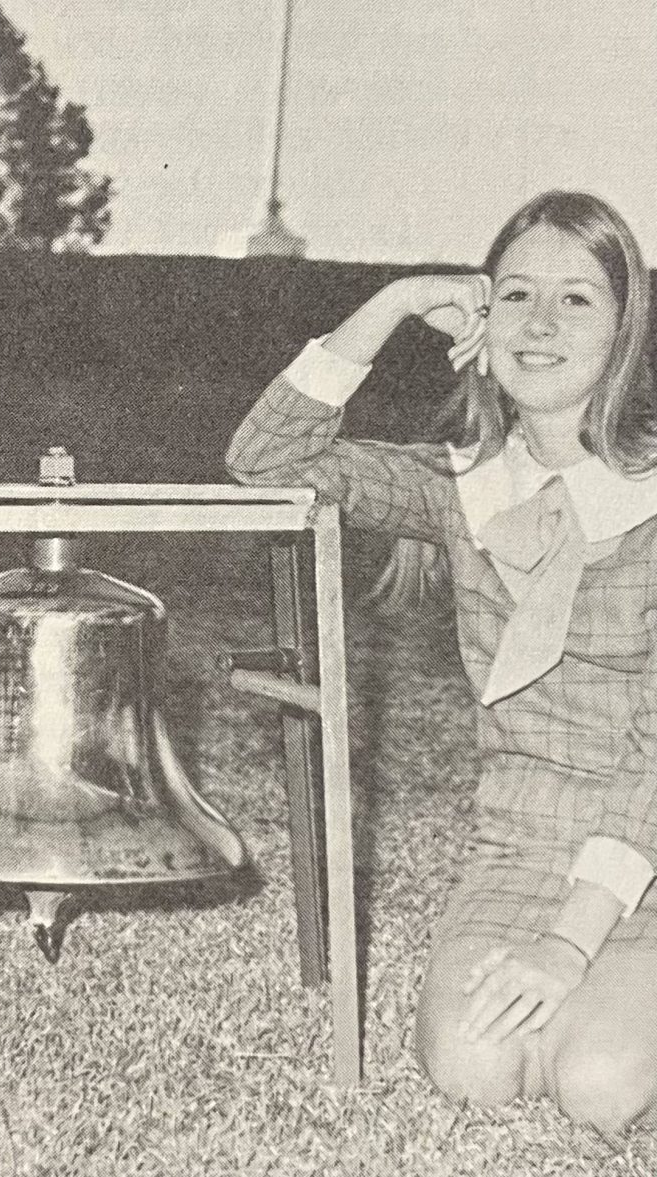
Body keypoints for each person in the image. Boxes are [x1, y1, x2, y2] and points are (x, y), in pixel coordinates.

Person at [226, 190, 657, 1136]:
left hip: (648, 850)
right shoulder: (464, 486)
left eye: (577, 300)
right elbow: (265, 459)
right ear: (482, 322)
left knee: (595, 1085)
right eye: (514, 297)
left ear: (627, 330)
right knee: (474, 1069)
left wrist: (566, 945)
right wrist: (395, 300)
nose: (540, 325)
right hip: (518, 847)